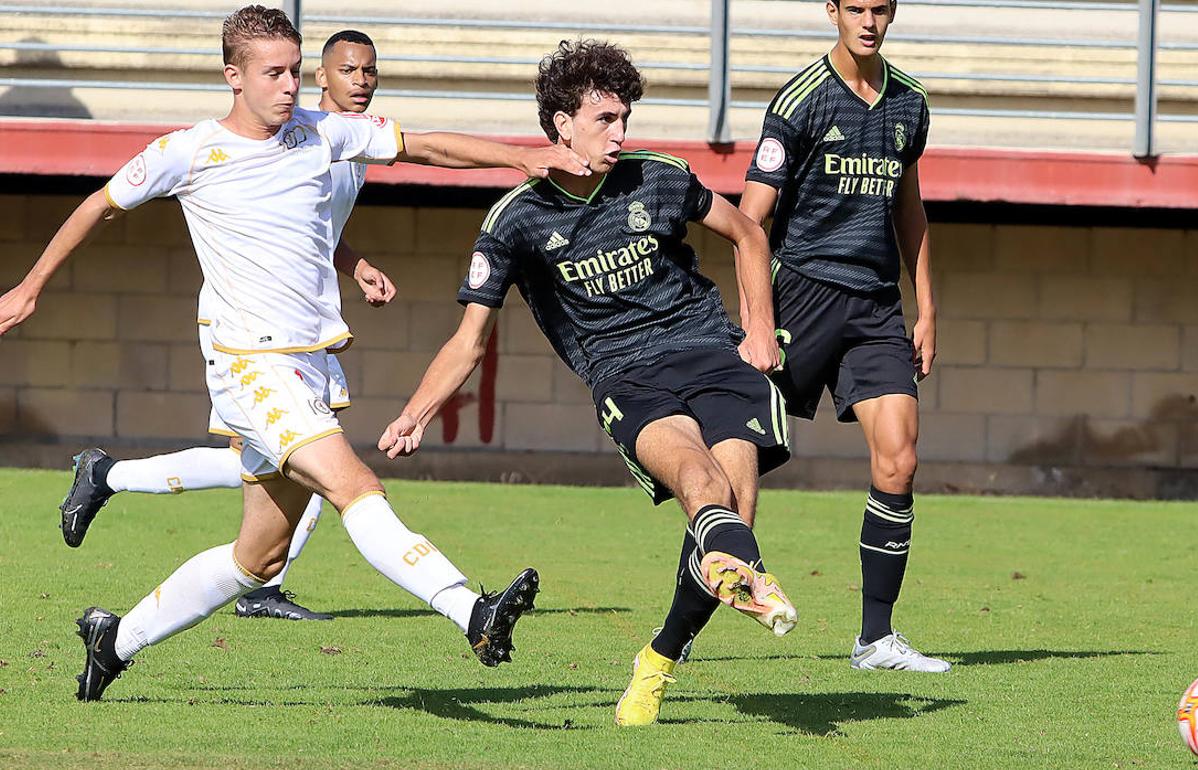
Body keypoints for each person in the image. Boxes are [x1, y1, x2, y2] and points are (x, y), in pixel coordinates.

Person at [0, 5, 591, 701]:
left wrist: (520, 155)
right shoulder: (187, 152)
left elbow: (424, 146)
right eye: (272, 73)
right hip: (250, 364)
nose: (288, 86)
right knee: (355, 486)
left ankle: (114, 639)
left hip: (309, 361)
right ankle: (471, 612)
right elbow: (98, 205)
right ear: (234, 76)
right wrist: (29, 288)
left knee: (258, 559)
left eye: (291, 69)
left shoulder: (319, 132)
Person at [377, 40, 799, 727]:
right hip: (626, 376)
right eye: (605, 119)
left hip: (713, 353)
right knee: (705, 490)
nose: (620, 133)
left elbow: (749, 233)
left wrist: (757, 327)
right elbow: (467, 342)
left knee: (728, 531)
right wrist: (417, 413)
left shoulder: (658, 177)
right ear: (561, 123)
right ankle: (733, 596)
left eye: (624, 118)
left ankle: (658, 661)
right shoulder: (515, 220)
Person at [58, 28, 395, 623]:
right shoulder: (292, 132)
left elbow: (315, 232)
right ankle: (261, 585)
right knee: (308, 455)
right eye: (349, 71)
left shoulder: (340, 144)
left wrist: (356, 264)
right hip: (238, 317)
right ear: (321, 77)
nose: (361, 82)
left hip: (289, 320)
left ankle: (108, 474)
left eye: (370, 71)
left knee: (270, 457)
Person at [737, 0, 948, 672]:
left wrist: (927, 307)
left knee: (900, 458)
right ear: (831, 11)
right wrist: (757, 322)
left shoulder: (911, 101)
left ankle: (876, 639)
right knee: (734, 468)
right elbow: (750, 219)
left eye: (879, 9)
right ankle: (682, 630)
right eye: (854, 7)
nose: (868, 20)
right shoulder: (800, 101)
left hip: (876, 306)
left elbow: (909, 208)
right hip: (798, 295)